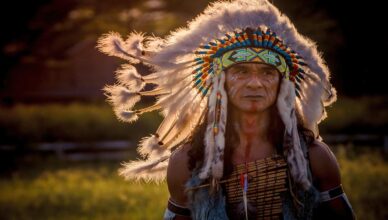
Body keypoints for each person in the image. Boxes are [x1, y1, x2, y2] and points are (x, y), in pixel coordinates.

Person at [97, 0, 356, 219]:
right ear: (218, 82)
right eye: (241, 71)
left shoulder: (314, 157)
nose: (254, 83)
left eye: (267, 72)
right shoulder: (186, 162)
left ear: (282, 84)